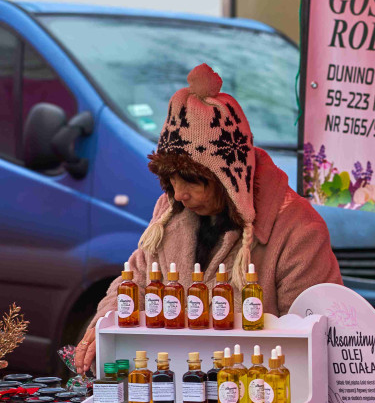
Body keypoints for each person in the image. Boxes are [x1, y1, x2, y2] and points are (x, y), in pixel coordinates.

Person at [74, 64, 341, 373]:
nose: (180, 194)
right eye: (170, 180)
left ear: (229, 178)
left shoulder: (296, 230)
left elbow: (320, 335)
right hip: (179, 397)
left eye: (191, 180)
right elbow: (136, 280)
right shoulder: (171, 209)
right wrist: (106, 322)